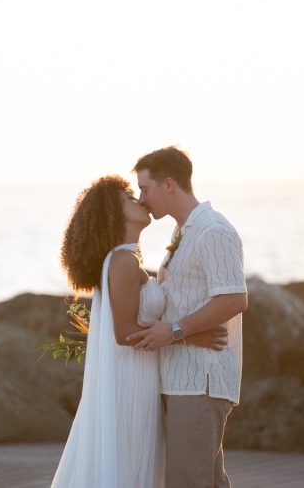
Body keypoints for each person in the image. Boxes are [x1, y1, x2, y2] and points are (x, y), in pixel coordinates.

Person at [50, 175, 229, 488]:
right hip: (129, 379)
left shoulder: (126, 259)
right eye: (130, 198)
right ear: (114, 215)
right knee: (130, 463)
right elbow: (125, 334)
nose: (141, 200)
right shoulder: (121, 261)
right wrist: (189, 335)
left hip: (140, 373)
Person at [126, 146, 248, 488]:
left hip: (200, 381)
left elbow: (235, 298)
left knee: (188, 481)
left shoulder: (212, 230)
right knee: (205, 480)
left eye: (145, 189)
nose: (142, 198)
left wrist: (177, 331)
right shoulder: (184, 232)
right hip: (183, 379)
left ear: (168, 185)